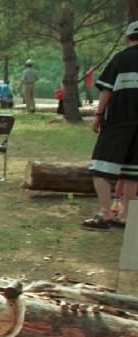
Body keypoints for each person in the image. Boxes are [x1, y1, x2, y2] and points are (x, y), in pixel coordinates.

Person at [82, 20, 138, 231]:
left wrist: (97, 116)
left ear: (127, 38)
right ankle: (126, 217)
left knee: (100, 168)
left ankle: (105, 213)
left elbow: (107, 91)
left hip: (118, 121)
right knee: (132, 172)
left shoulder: (120, 59)